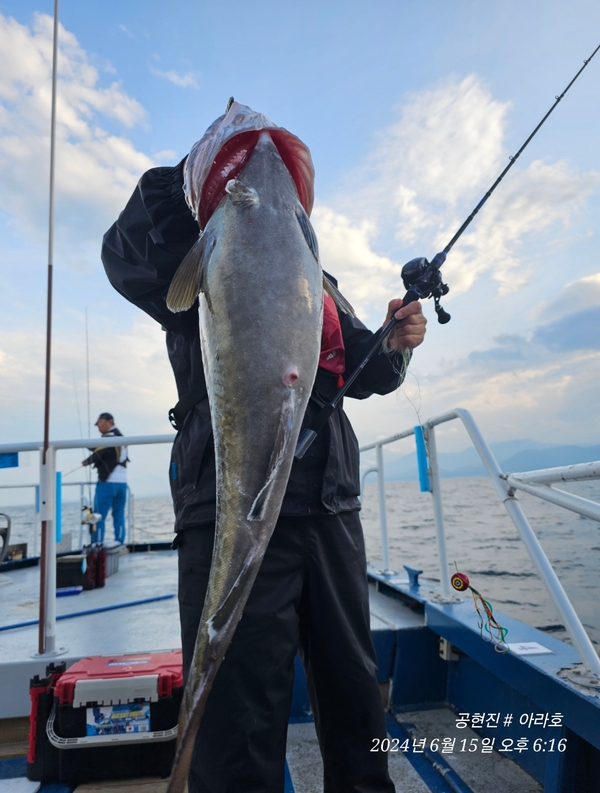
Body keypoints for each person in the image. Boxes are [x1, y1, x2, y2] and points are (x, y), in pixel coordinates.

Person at [101, 156, 426, 793]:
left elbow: (366, 372)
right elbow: (125, 253)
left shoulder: (319, 283)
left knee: (353, 681)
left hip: (327, 504)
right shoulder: (200, 253)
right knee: (239, 705)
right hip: (230, 497)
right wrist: (184, 175)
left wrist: (394, 340)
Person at [82, 413, 128, 544]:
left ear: (110, 422)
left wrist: (85, 461)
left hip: (108, 483)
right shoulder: (122, 437)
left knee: (98, 515)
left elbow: (96, 451)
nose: (98, 427)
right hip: (122, 483)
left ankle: (97, 543)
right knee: (118, 514)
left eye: (101, 423)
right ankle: (119, 541)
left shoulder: (109, 437)